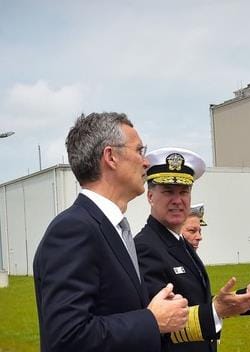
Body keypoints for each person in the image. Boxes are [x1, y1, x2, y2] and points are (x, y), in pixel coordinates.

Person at [33, 113, 190, 352]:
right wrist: (151, 321)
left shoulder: (111, 229)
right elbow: (66, 337)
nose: (145, 162)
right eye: (139, 150)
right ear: (111, 157)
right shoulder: (74, 229)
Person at [135, 147, 250, 352]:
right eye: (168, 191)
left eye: (184, 191)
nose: (177, 200)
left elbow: (195, 303)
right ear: (150, 196)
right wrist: (217, 310)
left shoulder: (178, 242)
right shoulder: (146, 247)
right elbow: (159, 322)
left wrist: (244, 297)